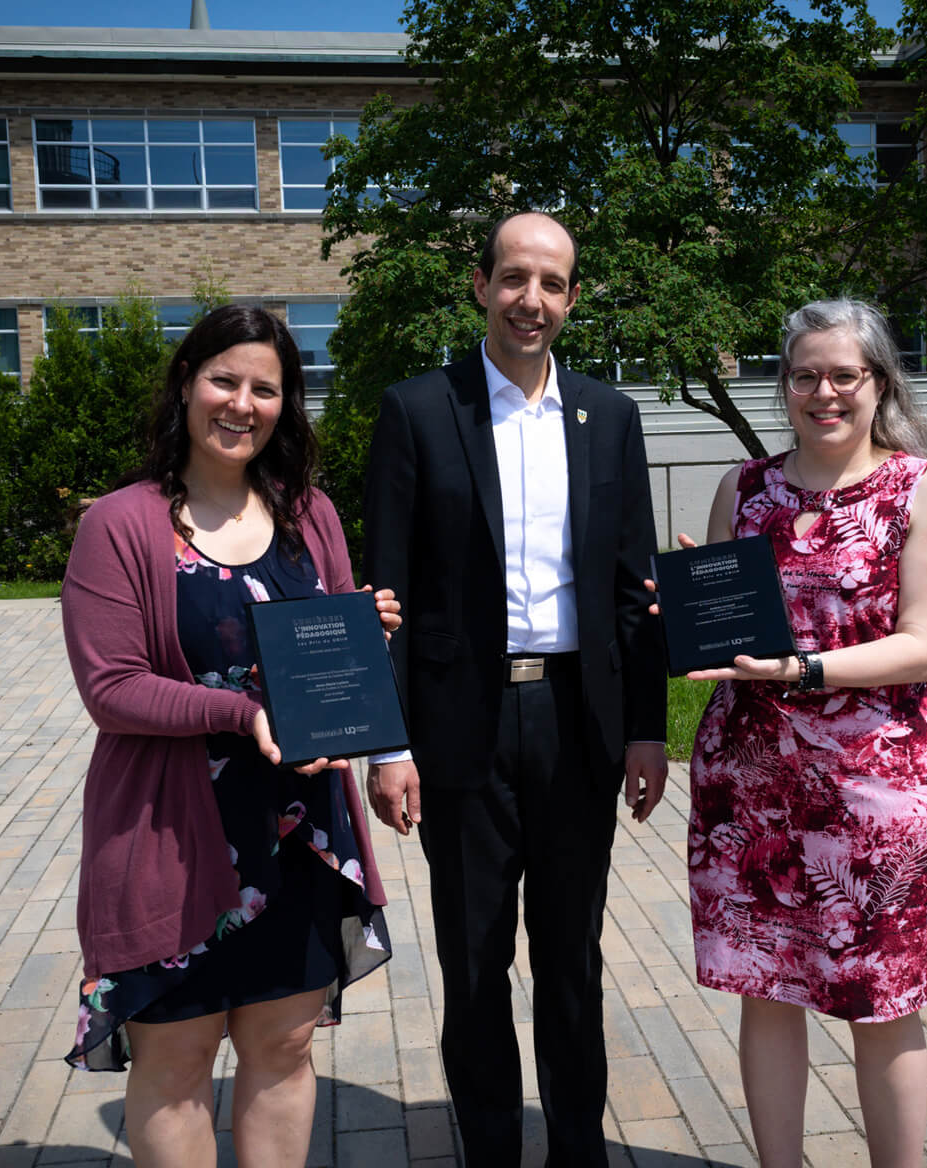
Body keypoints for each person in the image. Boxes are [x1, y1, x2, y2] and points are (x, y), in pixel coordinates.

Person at [362, 211, 669, 1167]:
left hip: (579, 722)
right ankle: (490, 1150)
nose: (530, 299)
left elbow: (633, 588)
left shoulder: (610, 418)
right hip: (463, 728)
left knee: (573, 962)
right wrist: (388, 743)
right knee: (475, 962)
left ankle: (578, 1150)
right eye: (513, 278)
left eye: (551, 283)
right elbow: (388, 592)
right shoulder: (417, 411)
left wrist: (648, 731)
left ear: (572, 299)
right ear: (482, 287)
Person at [60, 304, 397, 1168]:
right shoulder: (120, 524)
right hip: (172, 837)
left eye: (266, 388)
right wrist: (242, 713)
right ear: (186, 383)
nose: (242, 403)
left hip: (298, 834)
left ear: (286, 404)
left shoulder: (306, 514)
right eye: (225, 380)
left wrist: (363, 630)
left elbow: (328, 654)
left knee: (284, 1050)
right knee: (175, 1062)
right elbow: (112, 687)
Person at [673, 298, 927, 1168]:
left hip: (877, 794)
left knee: (881, 1001)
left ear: (878, 382)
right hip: (752, 785)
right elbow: (729, 631)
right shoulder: (746, 486)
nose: (824, 392)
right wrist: (689, 608)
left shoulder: (924, 487)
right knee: (765, 991)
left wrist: (802, 671)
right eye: (805, 374)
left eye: (844, 374)